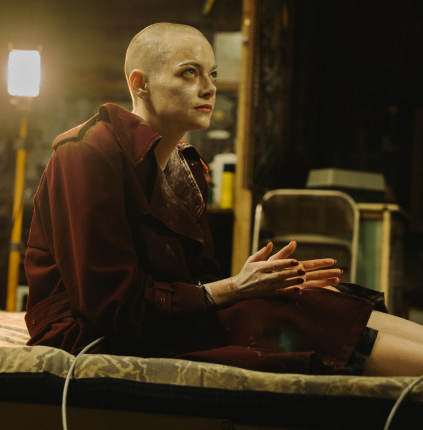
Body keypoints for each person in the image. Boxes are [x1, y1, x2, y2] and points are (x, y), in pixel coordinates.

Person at [24, 23, 423, 377]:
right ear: (140, 83)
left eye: (212, 73)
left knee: (312, 296)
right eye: (189, 72)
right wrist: (235, 289)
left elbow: (199, 285)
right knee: (279, 316)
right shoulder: (87, 152)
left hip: (160, 319)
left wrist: (256, 284)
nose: (209, 87)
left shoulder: (188, 167)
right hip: (89, 332)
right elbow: (114, 309)